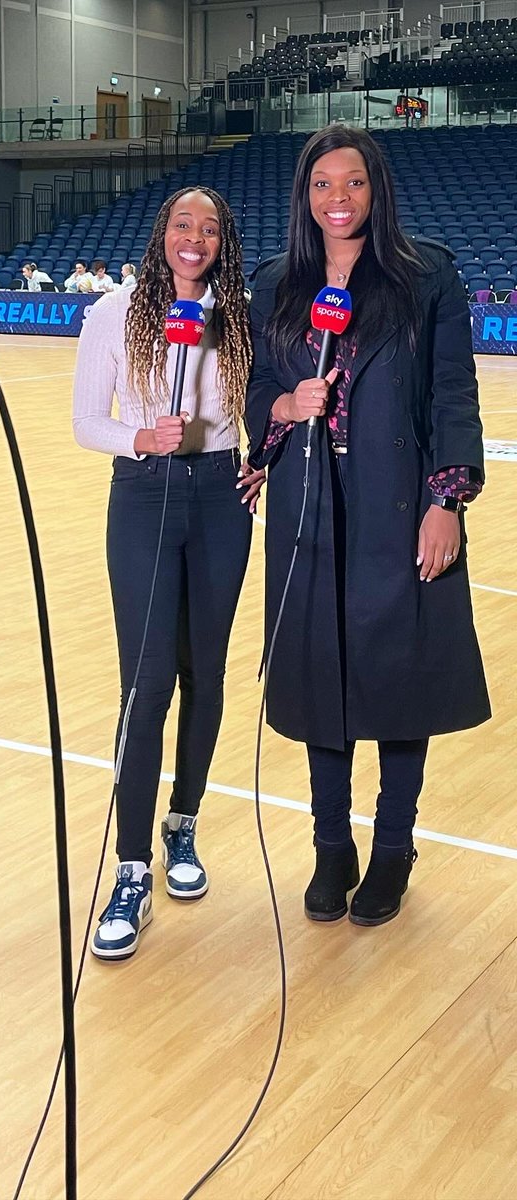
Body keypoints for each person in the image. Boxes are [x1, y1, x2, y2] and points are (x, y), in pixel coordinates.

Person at [246, 125, 490, 927]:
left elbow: (452, 393)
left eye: (353, 182)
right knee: (324, 678)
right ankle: (330, 847)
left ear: (376, 190)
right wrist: (284, 406)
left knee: (398, 682)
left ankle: (391, 850)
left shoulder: (425, 277)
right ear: (304, 197)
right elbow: (254, 391)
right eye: (323, 184)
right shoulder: (278, 282)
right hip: (310, 500)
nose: (338, 198)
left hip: (399, 500)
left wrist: (444, 501)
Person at [73, 187, 264, 960]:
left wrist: (266, 460)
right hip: (145, 493)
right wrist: (140, 436)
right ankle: (130, 868)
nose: (195, 238)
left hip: (222, 495)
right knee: (146, 684)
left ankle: (182, 825)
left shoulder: (237, 314)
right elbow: (87, 422)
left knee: (205, 677)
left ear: (223, 241)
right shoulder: (113, 313)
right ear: (163, 233)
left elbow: (263, 407)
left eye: (210, 227)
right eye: (183, 224)